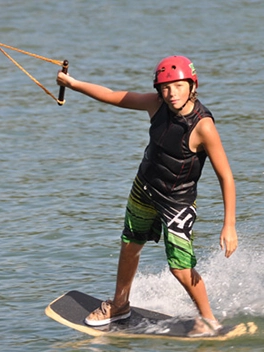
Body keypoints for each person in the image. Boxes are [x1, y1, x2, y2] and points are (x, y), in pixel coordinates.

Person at [56, 55, 238, 337]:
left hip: (177, 203)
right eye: (165, 87)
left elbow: (226, 176)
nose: (171, 93)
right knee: (130, 245)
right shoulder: (156, 105)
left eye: (178, 86)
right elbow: (113, 96)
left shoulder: (203, 126)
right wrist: (73, 83)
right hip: (144, 189)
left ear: (192, 85)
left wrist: (229, 225)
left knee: (180, 267)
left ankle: (209, 319)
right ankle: (119, 304)